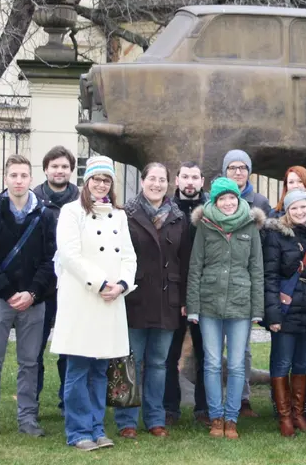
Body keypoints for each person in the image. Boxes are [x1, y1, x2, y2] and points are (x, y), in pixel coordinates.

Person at [51, 156, 138, 451]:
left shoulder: (119, 215)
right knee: (78, 368)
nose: (101, 184)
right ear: (86, 181)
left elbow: (129, 256)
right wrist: (99, 283)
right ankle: (78, 431)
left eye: (106, 180)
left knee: (101, 370)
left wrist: (122, 285)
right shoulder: (71, 212)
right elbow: (69, 255)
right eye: (96, 179)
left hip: (111, 300)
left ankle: (97, 428)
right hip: (82, 299)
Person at [0, 154, 56, 441]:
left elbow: (51, 260)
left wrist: (32, 293)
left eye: (23, 175)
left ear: (31, 179)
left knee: (30, 363)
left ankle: (27, 417)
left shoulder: (45, 216)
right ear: (6, 179)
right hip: (0, 300)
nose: (18, 181)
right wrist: (8, 292)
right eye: (13, 176)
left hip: (33, 302)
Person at [114, 163, 191, 439]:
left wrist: (183, 300)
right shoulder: (126, 214)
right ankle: (126, 420)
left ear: (169, 184)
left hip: (167, 300)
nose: (156, 184)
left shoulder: (179, 217)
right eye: (152, 179)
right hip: (135, 297)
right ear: (142, 181)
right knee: (129, 361)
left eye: (162, 180)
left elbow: (185, 263)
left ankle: (155, 418)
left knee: (159, 363)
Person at [186, 177, 266, 440]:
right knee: (210, 362)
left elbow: (256, 268)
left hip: (240, 304)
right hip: (209, 303)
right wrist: (194, 307)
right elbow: (195, 267)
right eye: (222, 199)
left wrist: (257, 308)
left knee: (235, 364)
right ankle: (215, 416)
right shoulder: (205, 226)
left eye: (232, 197)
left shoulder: (249, 225)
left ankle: (231, 418)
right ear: (215, 201)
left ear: (238, 198)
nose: (228, 203)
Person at [263, 189, 306, 437]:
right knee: (282, 361)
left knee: (303, 362)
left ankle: (298, 413)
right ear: (287, 211)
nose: (300, 212)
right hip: (286, 307)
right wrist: (273, 315)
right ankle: (284, 417)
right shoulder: (275, 236)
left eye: (303, 207)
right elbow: (269, 278)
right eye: (294, 208)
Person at [221, 149, 269, 417]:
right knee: (215, 350)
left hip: (245, 283)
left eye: (242, 167)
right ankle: (215, 401)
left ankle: (243, 398)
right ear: (225, 171)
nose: (238, 172)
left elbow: (264, 247)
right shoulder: (213, 199)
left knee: (243, 348)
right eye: (232, 168)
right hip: (217, 284)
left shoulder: (259, 201)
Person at [32, 145, 80, 411]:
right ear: (46, 169)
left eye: (64, 166)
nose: (59, 171)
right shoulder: (33, 198)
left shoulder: (80, 199)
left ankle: (67, 400)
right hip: (42, 283)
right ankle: (31, 401)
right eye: (54, 166)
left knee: (69, 348)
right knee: (34, 349)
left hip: (72, 284)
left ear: (71, 170)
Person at [164, 161, 209, 426]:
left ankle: (203, 409)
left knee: (206, 355)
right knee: (170, 355)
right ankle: (170, 408)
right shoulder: (169, 211)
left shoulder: (212, 211)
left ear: (202, 181)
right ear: (177, 181)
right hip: (173, 293)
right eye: (185, 177)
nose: (189, 182)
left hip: (205, 294)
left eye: (194, 177)